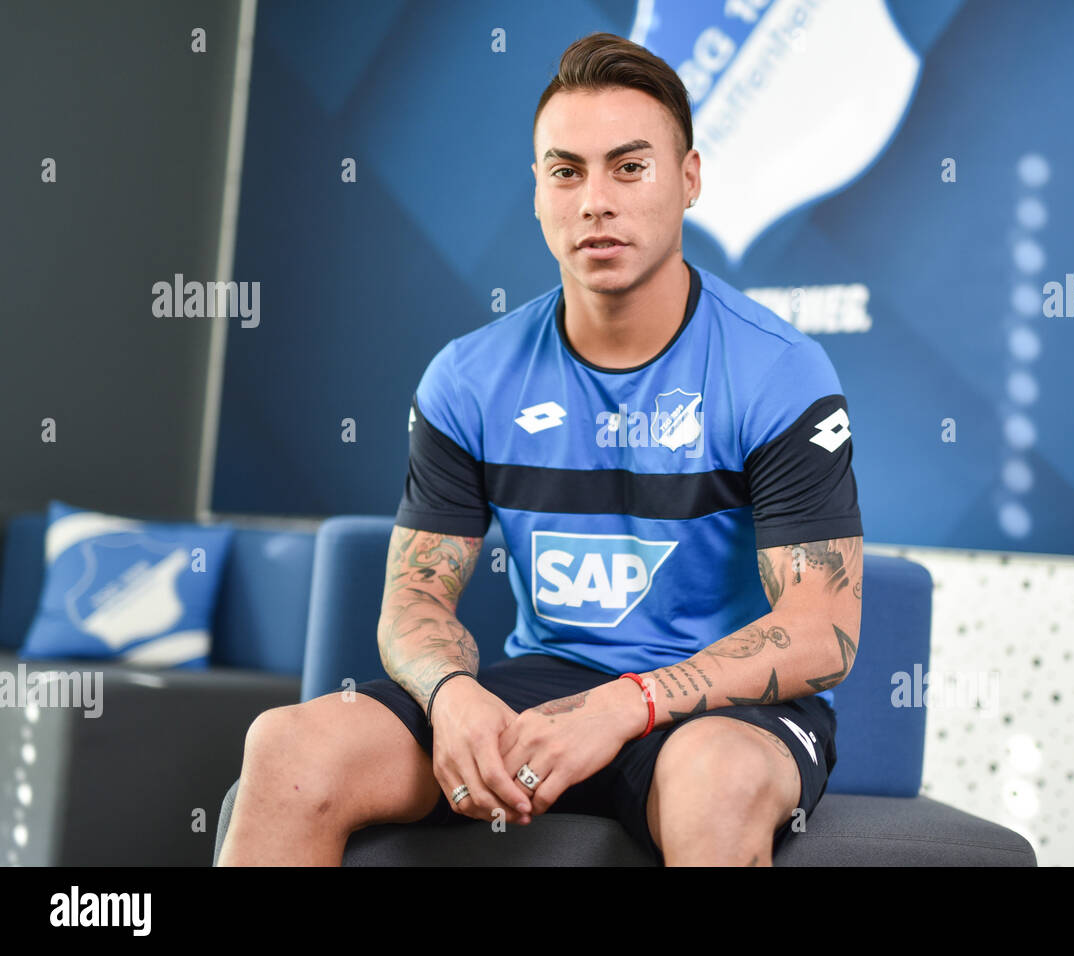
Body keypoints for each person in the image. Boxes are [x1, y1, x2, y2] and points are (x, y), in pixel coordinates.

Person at [218, 30, 863, 867]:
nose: (595, 200)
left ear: (689, 180)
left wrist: (627, 706)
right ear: (537, 192)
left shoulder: (778, 369)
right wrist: (451, 696)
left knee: (714, 778)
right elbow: (413, 601)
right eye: (567, 171)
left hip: (722, 709)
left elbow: (824, 632)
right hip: (549, 683)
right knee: (288, 746)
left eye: (629, 167)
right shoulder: (470, 377)